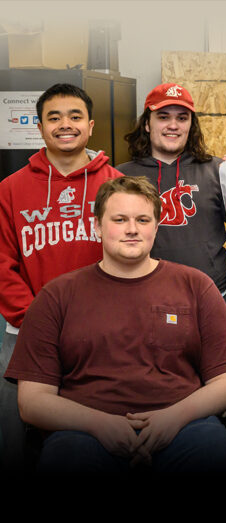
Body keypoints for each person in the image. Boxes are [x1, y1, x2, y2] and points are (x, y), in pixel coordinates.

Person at [4, 176, 226, 474]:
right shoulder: (56, 296)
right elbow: (31, 401)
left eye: (143, 219)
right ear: (97, 226)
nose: (132, 229)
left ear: (156, 227)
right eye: (119, 219)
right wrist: (100, 424)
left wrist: (171, 419)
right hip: (83, 431)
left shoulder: (196, 286)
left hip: (186, 427)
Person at [0, 83, 122, 470]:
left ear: (90, 126)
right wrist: (35, 318)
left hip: (100, 328)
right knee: (12, 425)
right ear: (39, 127)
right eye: (54, 118)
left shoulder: (116, 185)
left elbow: (130, 260)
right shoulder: (11, 188)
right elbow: (3, 264)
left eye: (74, 117)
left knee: (92, 424)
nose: (64, 125)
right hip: (26, 328)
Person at [116, 83, 226, 328]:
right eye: (163, 117)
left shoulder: (218, 172)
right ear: (146, 123)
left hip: (212, 301)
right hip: (145, 302)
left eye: (181, 118)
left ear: (190, 125)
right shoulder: (122, 177)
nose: (173, 125)